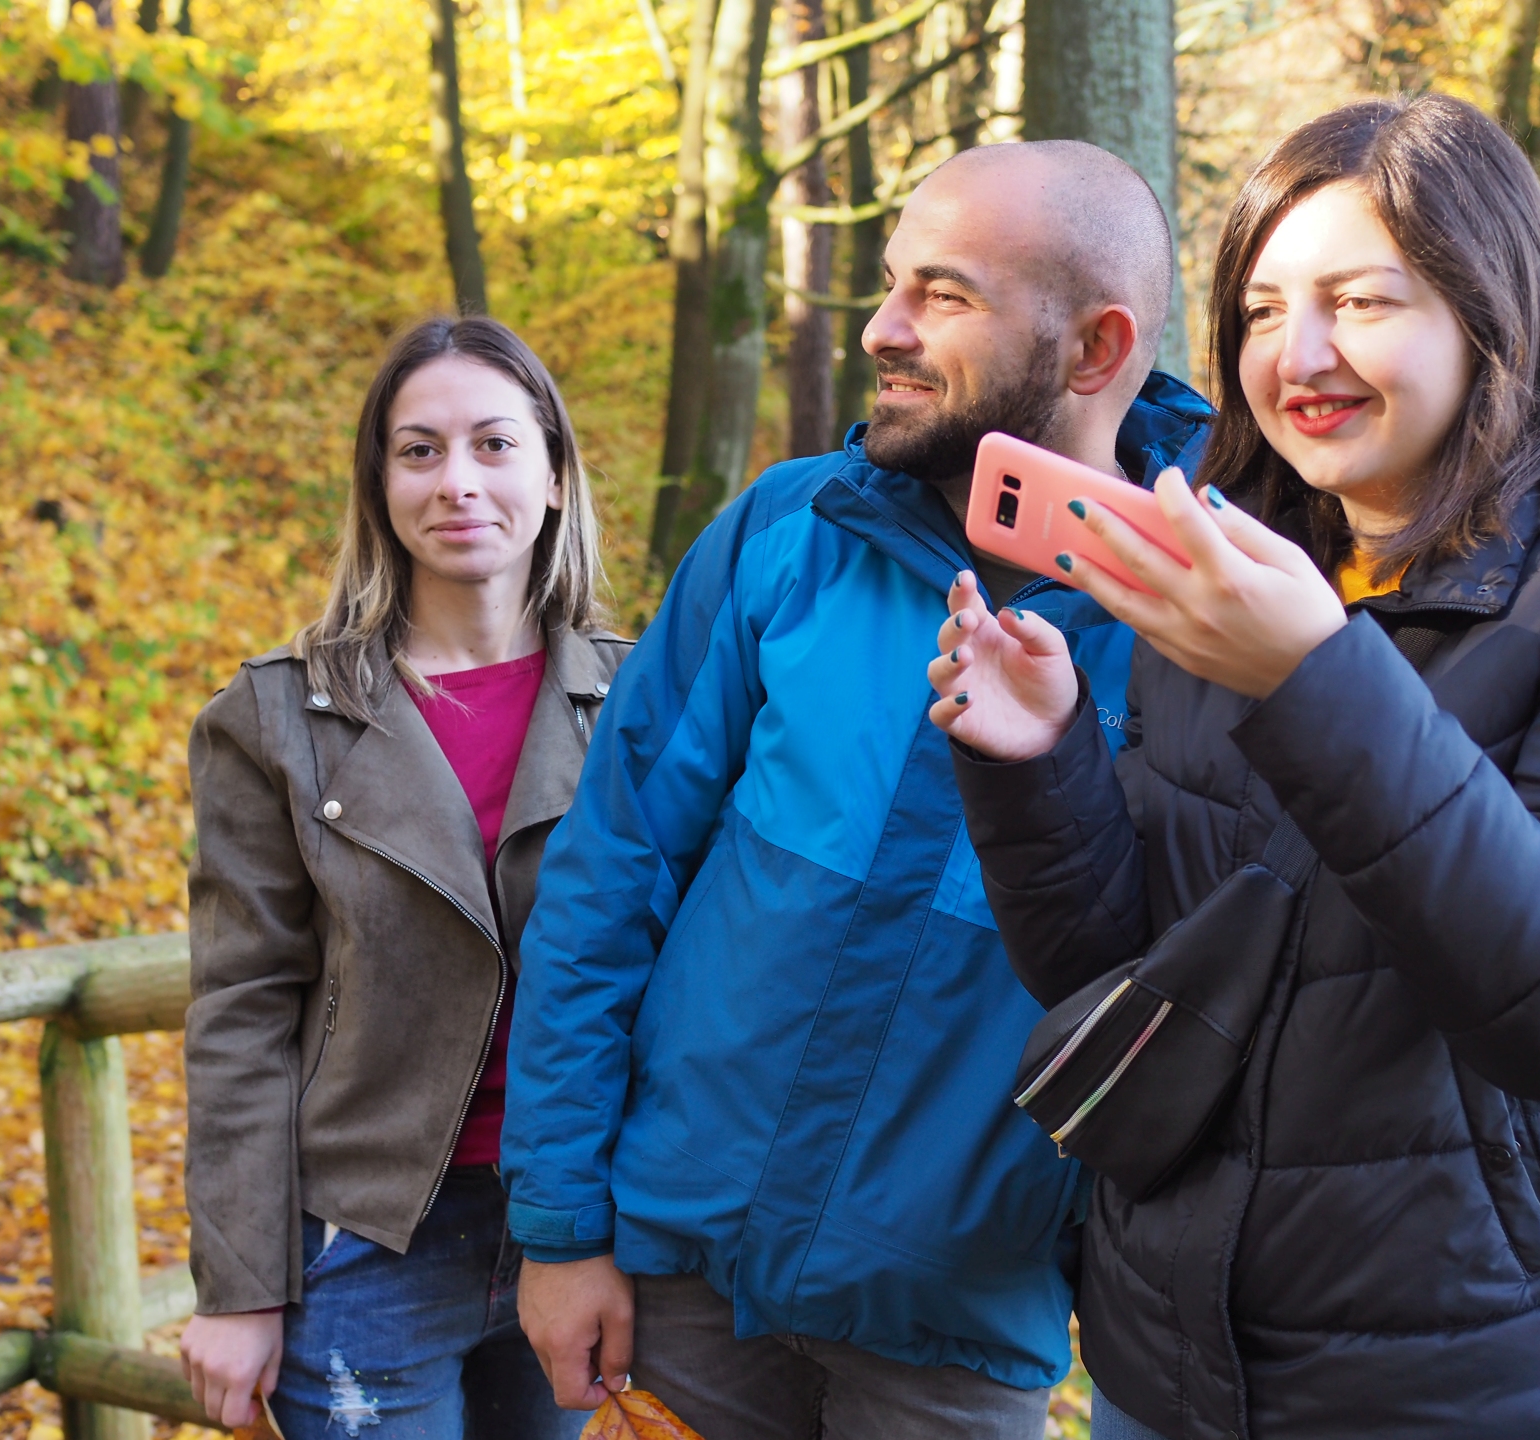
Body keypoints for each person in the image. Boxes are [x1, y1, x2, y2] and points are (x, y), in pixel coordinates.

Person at [930, 94, 1540, 1440]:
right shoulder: (1240, 559)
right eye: (1260, 311)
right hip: (1161, 1363)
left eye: (1360, 302)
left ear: (1489, 313)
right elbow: (1122, 970)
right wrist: (1039, 762)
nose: (1297, 355)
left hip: (1462, 1390)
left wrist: (1314, 678)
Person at [502, 140, 1211, 1437]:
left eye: (943, 295)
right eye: (891, 283)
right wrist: (561, 1229)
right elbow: (608, 876)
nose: (883, 327)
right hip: (676, 1294)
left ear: (1096, 350)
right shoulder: (789, 530)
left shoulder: (1206, 623)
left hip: (960, 1339)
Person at [177, 316, 627, 1440]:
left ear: (555, 476)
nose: (457, 481)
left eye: (494, 444)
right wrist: (239, 1285)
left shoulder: (643, 703)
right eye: (419, 451)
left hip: (584, 1232)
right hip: (370, 1244)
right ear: (380, 487)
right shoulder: (279, 719)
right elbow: (241, 1009)